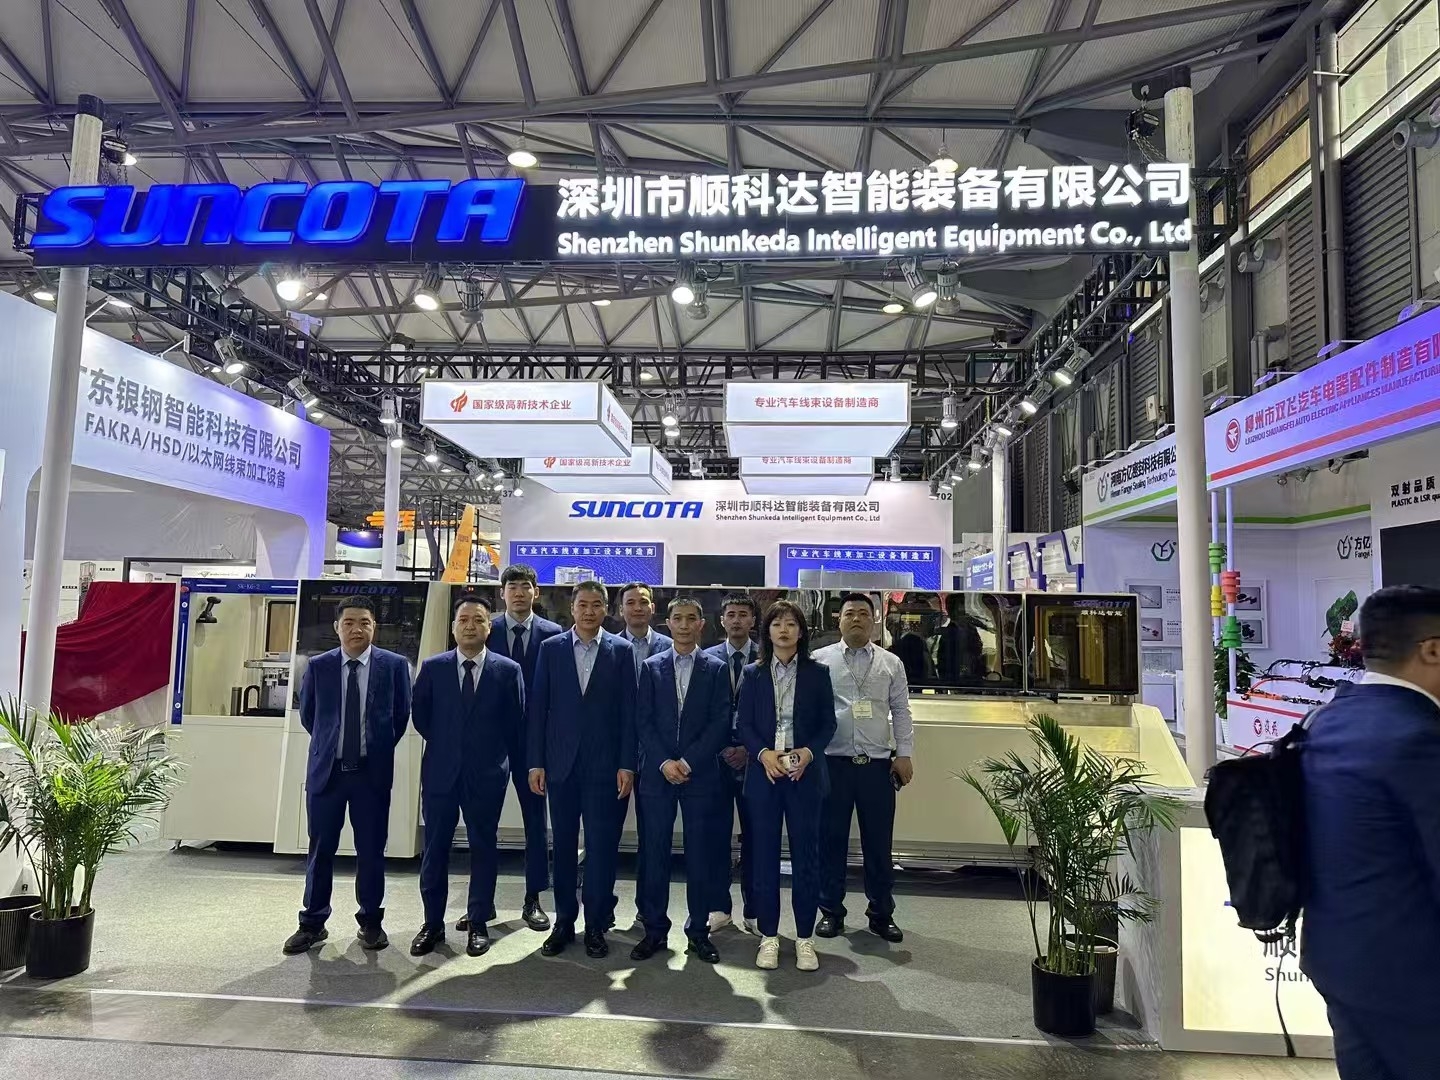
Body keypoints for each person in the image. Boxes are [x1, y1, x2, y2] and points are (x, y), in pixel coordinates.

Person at [1300, 585, 1440, 1079]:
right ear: (1432, 650)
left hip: (1339, 962)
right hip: (1416, 982)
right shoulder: (1422, 737)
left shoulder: (1326, 719)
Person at [284, 595, 412, 955]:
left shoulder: (394, 666)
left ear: (375, 627)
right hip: (328, 774)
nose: (357, 629)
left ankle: (371, 921)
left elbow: (400, 716)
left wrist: (372, 748)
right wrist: (334, 746)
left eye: (365, 623)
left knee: (370, 850)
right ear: (337, 627)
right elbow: (310, 716)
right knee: (320, 849)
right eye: (350, 623)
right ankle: (312, 923)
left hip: (371, 774)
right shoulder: (319, 666)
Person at [409, 594, 525, 959]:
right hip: (441, 773)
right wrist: (450, 746)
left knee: (484, 847)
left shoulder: (508, 671)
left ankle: (478, 921)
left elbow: (515, 722)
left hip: (486, 774)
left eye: (478, 620)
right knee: (435, 849)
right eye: (464, 620)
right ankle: (432, 924)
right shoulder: (433, 668)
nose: (470, 626)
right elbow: (421, 717)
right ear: (453, 627)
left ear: (490, 627)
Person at [528, 581, 636, 959]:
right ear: (572, 609)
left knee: (602, 849)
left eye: (596, 605)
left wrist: (627, 764)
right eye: (583, 605)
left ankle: (595, 925)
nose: (589, 611)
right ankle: (564, 922)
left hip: (605, 767)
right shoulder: (551, 649)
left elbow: (629, 713)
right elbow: (538, 709)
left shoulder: (621, 651)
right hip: (561, 766)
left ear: (606, 609)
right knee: (563, 847)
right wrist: (536, 762)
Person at [631, 597, 732, 963]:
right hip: (657, 776)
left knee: (700, 855)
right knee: (654, 853)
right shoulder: (651, 666)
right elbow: (643, 720)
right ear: (668, 623)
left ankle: (698, 933)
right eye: (678, 618)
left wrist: (688, 761)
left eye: (692, 619)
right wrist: (663, 762)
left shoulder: (717, 669)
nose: (685, 625)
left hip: (700, 775)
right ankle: (654, 931)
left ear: (702, 625)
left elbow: (720, 723)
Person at [737, 600, 837, 972]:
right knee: (763, 857)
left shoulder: (818, 672)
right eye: (777, 623)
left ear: (801, 631)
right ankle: (769, 936)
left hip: (804, 775)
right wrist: (763, 754)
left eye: (791, 623)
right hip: (765, 775)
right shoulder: (753, 673)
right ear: (767, 631)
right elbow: (744, 724)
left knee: (805, 857)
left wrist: (808, 754)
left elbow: (828, 724)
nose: (784, 629)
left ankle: (805, 938)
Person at [812, 593, 914, 943]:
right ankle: (830, 912)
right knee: (830, 842)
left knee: (879, 844)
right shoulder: (819, 660)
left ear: (874, 620)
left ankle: (881, 914)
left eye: (863, 614)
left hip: (877, 767)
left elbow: (901, 711)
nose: (856, 619)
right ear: (838, 620)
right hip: (832, 765)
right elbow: (809, 711)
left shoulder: (891, 663)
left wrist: (904, 754)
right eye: (849, 614)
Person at [478, 562, 562, 934]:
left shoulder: (553, 634)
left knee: (535, 822)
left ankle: (534, 898)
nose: (518, 592)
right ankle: (481, 902)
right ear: (502, 593)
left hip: (535, 742)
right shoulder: (486, 630)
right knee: (483, 821)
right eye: (511, 586)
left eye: (525, 586)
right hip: (492, 741)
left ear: (535, 592)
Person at [612, 581, 672, 929]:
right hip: (615, 754)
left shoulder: (670, 647)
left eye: (643, 602)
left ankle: (647, 910)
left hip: (657, 756)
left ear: (653, 608)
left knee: (652, 838)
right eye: (630, 602)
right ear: (621, 609)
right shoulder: (608, 646)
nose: (637, 607)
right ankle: (601, 907)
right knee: (606, 835)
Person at [704, 594, 759, 934]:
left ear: (753, 621)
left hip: (756, 761)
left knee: (756, 836)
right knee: (715, 835)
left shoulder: (767, 657)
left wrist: (749, 749)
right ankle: (718, 907)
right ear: (721, 620)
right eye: (731, 615)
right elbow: (700, 712)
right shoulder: (707, 658)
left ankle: (754, 910)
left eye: (743, 615)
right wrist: (724, 746)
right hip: (716, 760)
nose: (737, 620)